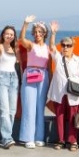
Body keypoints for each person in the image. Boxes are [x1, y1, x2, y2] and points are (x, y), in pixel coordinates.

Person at [47, 22, 79, 152]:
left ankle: (73, 141)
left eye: (68, 45)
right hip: (59, 93)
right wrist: (53, 33)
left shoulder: (78, 61)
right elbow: (52, 47)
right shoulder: (59, 58)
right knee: (59, 117)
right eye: (64, 45)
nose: (65, 48)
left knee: (72, 118)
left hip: (73, 94)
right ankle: (61, 140)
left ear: (73, 47)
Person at [18, 15, 51, 149]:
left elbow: (49, 66)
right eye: (35, 32)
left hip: (44, 76)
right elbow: (21, 39)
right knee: (29, 107)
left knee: (39, 108)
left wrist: (51, 81)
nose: (37, 34)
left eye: (40, 32)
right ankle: (28, 138)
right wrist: (25, 23)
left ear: (44, 34)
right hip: (31, 75)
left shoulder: (48, 48)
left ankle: (39, 137)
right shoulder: (30, 45)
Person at [0, 14, 19, 149]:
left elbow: (18, 64)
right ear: (3, 35)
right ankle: (6, 137)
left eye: (11, 34)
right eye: (7, 33)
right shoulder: (0, 47)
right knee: (4, 109)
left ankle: (8, 136)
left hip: (14, 78)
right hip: (2, 78)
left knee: (12, 110)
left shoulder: (15, 49)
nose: (9, 36)